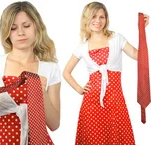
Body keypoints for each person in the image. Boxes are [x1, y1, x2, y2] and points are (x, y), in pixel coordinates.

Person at [0, 1, 61, 144]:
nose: (20, 33)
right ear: (6, 32)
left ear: (37, 26)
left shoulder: (50, 68)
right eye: (13, 28)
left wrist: (41, 93)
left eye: (26, 26)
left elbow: (54, 124)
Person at [62, 1, 149, 144]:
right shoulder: (82, 47)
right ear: (86, 19)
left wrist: (142, 31)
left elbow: (139, 56)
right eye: (94, 16)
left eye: (102, 17)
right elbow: (66, 72)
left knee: (118, 138)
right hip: (91, 103)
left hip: (115, 101)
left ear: (106, 19)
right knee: (94, 139)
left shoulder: (116, 39)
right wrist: (79, 89)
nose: (98, 21)